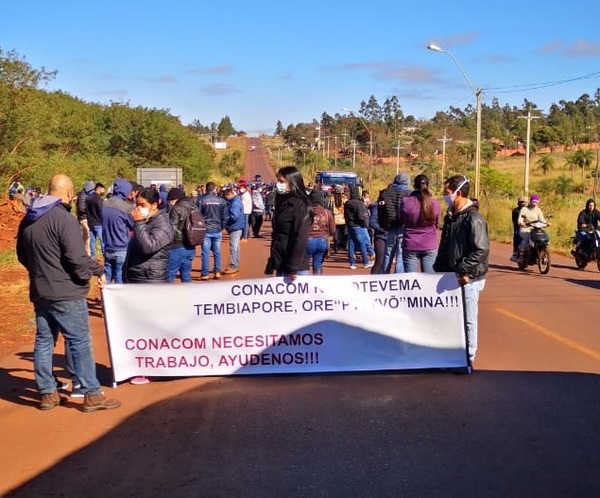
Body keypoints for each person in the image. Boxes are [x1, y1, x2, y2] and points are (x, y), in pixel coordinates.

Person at [16, 174, 121, 411]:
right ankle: (92, 394)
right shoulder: (64, 219)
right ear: (70, 193)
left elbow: (22, 255)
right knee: (79, 341)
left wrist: (40, 272)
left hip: (40, 290)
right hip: (66, 292)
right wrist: (96, 270)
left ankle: (48, 393)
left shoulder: (28, 219)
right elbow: (77, 259)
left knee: (44, 341)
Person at [433, 175, 489, 369]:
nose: (444, 196)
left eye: (447, 193)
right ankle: (451, 355)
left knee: (468, 319)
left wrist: (463, 270)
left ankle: (468, 358)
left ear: (458, 193)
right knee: (450, 318)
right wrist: (439, 269)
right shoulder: (451, 216)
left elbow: (480, 250)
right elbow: (446, 245)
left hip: (468, 278)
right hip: (451, 276)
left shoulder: (474, 218)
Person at [124, 187, 174, 385]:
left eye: (143, 205)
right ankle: (143, 366)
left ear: (155, 205)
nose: (138, 209)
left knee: (151, 329)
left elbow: (149, 247)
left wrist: (137, 224)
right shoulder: (146, 222)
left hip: (151, 282)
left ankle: (154, 369)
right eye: (137, 205)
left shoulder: (164, 225)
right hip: (139, 279)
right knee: (140, 328)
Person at [265, 166, 312, 280]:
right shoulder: (282, 202)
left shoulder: (300, 205)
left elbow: (300, 237)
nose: (278, 184)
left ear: (292, 182)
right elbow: (278, 236)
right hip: (281, 263)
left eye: (282, 181)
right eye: (278, 181)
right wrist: (272, 262)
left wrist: (293, 267)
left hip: (295, 269)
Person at [398, 174, 441, 273]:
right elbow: (437, 224)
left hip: (410, 244)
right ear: (428, 185)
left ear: (414, 185)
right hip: (429, 244)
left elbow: (401, 219)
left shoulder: (406, 202)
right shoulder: (434, 203)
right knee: (429, 280)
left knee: (411, 281)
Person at [102, 179, 135, 284]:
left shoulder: (104, 204)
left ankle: (105, 298)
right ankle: (118, 299)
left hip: (107, 246)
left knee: (107, 276)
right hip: (121, 246)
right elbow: (132, 225)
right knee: (119, 275)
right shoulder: (125, 207)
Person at [379, 172, 412, 273]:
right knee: (400, 256)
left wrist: (383, 225)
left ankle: (384, 277)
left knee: (388, 255)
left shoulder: (386, 192)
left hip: (390, 227)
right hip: (403, 227)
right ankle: (397, 278)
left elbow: (381, 211)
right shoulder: (409, 193)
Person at [167, 187, 198, 283]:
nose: (170, 202)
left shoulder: (176, 208)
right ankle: (188, 296)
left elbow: (172, 229)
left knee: (169, 275)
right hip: (191, 246)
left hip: (177, 246)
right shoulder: (193, 206)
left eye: (171, 200)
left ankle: (165, 297)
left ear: (174, 199)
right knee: (186, 275)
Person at [198, 182, 228, 280]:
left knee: (205, 253)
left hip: (206, 229)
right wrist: (222, 226)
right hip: (217, 229)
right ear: (214, 189)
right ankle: (217, 271)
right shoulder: (221, 201)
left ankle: (205, 273)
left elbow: (197, 215)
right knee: (217, 252)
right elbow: (225, 216)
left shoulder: (201, 200)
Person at [344, 185, 374, 270]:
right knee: (362, 244)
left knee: (351, 244)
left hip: (350, 225)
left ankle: (352, 263)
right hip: (358, 226)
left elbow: (345, 215)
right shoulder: (359, 203)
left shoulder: (347, 203)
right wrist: (364, 224)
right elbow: (361, 216)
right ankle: (365, 262)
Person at [306, 189, 335, 275]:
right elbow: (333, 229)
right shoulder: (327, 212)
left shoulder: (305, 212)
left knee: (304, 265)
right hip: (322, 241)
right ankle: (316, 283)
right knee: (318, 264)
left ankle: (305, 285)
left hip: (308, 241)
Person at [517, 194, 548, 262]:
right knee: (526, 238)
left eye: (536, 202)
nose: (534, 204)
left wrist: (546, 223)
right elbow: (520, 219)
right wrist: (521, 223)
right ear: (530, 201)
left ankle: (539, 252)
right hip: (525, 228)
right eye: (533, 202)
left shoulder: (538, 210)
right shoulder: (524, 209)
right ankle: (521, 255)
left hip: (535, 229)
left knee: (542, 238)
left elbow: (542, 219)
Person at [223, 187, 245, 274]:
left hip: (235, 227)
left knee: (233, 247)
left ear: (230, 194)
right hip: (237, 226)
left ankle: (233, 265)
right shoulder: (236, 201)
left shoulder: (235, 203)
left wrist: (226, 219)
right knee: (236, 247)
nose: (226, 198)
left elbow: (234, 216)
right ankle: (235, 264)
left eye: (226, 196)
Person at [368, 189, 388, 274]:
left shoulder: (388, 205)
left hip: (387, 235)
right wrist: (381, 229)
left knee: (385, 261)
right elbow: (372, 222)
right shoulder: (377, 206)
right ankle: (372, 279)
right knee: (380, 261)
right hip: (380, 237)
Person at [85, 182, 106, 258]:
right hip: (99, 223)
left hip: (90, 222)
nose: (103, 192)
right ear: (99, 189)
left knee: (92, 241)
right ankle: (105, 256)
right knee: (102, 241)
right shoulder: (100, 200)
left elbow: (86, 211)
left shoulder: (88, 199)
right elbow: (101, 212)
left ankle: (92, 257)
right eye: (103, 190)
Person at [510, 196, 527, 262]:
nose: (523, 203)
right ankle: (515, 253)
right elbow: (515, 221)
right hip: (519, 227)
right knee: (516, 235)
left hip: (528, 227)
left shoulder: (528, 210)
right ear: (518, 203)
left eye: (524, 202)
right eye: (521, 202)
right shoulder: (516, 211)